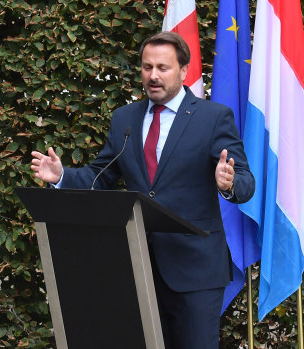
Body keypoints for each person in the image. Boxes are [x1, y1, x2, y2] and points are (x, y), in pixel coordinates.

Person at [30, 31, 255, 349]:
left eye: (163, 67)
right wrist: (62, 176)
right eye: (147, 67)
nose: (153, 75)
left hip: (195, 271)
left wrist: (229, 183)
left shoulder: (213, 118)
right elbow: (100, 177)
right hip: (138, 268)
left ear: (183, 70)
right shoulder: (126, 118)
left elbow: (246, 182)